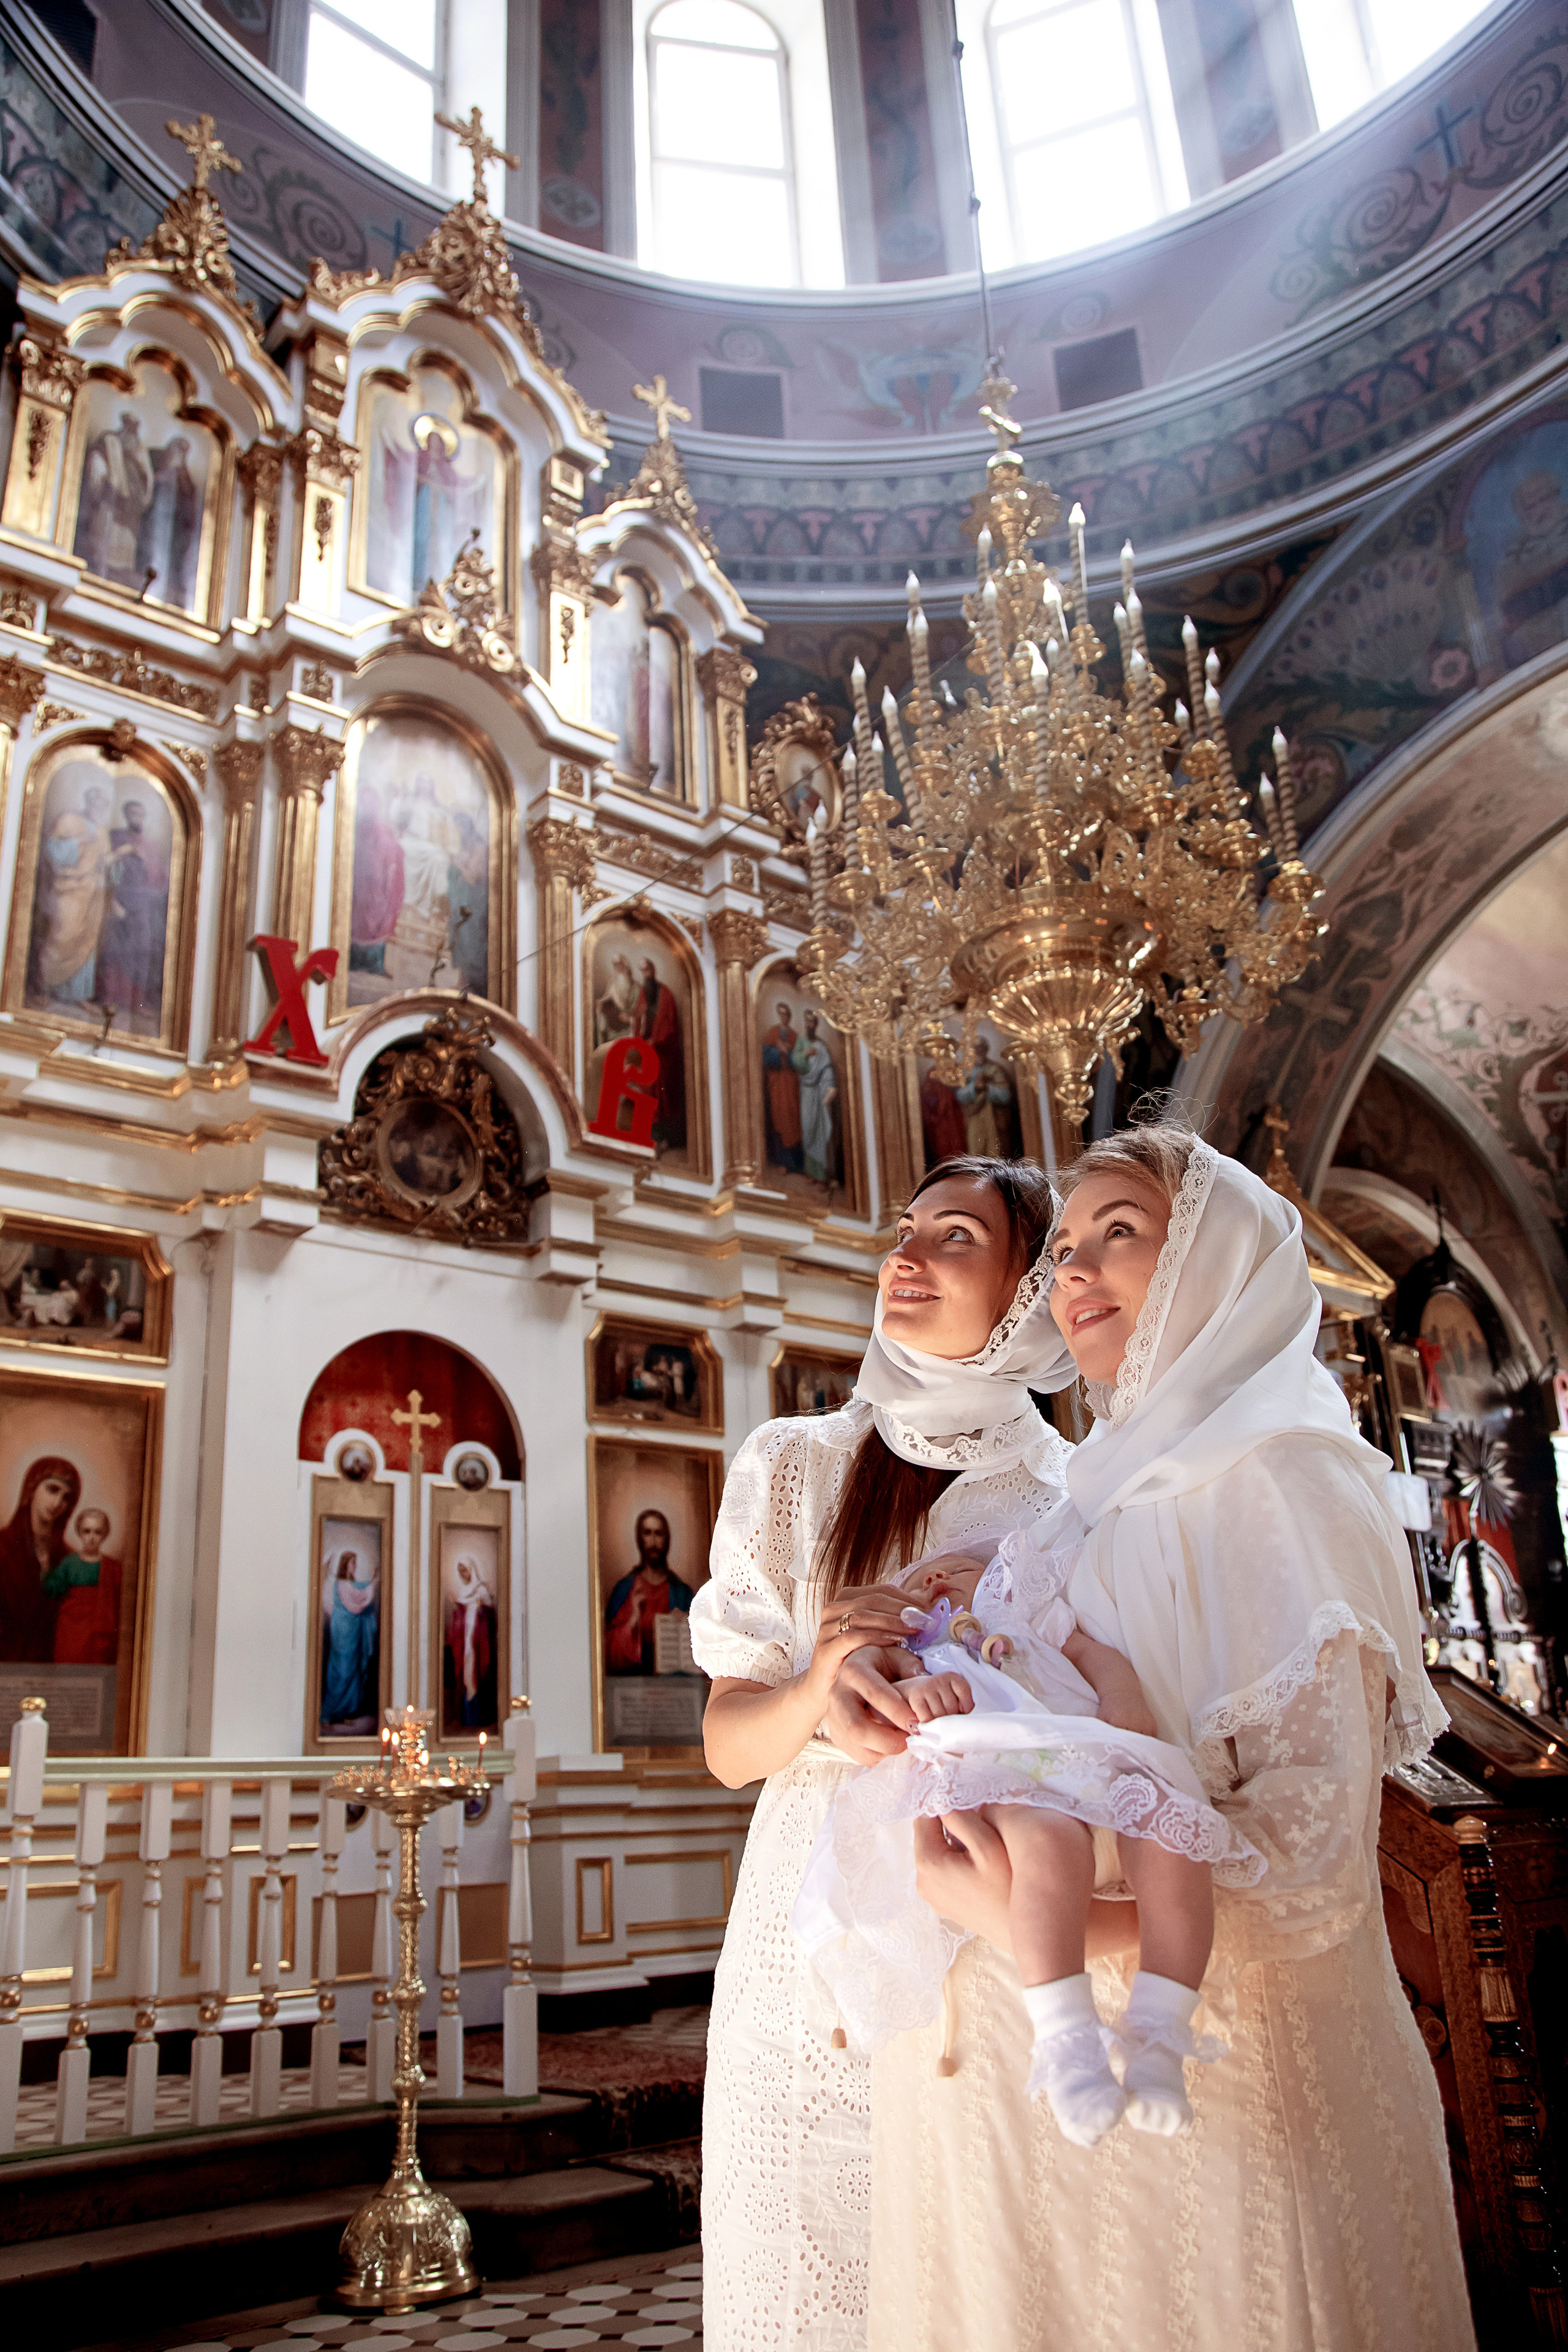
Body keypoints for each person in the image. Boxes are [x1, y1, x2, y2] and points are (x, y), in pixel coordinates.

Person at [827, 1121, 1473, 2352]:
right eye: (1062, 1249)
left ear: (1213, 1261)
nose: (1071, 1274)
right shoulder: (1088, 1496)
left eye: (1115, 1235)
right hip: (1032, 2129)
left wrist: (999, 1918)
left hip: (1228, 2094)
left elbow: (1306, 1877)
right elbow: (1006, 1662)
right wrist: (884, 1669)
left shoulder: (1283, 1483)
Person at [688, 1156, 1084, 2352]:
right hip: (803, 1938)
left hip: (997, 1915)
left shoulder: (1075, 1500)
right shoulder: (797, 1465)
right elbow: (724, 1748)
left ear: (1027, 1288)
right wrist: (821, 1684)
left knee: (978, 2284)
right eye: (900, 1233)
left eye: (952, 1238)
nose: (901, 1257)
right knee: (805, 2268)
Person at [794, 1533, 1260, 2142]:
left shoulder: (1024, 1611)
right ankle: (1068, 2046)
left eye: (956, 1568)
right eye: (919, 1580)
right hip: (997, 1771)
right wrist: (915, 1695)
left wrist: (1122, 1699)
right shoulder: (915, 1651)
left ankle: (1159, 2038)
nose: (936, 1579)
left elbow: (1092, 1655)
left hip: (1087, 1752)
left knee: (1173, 1838)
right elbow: (882, 1712)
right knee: (1048, 1845)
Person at [30, 783, 113, 1005]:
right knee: (61, 936)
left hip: (92, 892)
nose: (99, 805)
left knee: (87, 940)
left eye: (103, 803)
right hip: (68, 888)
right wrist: (80, 842)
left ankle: (78, 994)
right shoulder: (69, 821)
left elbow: (104, 862)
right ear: (87, 801)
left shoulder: (103, 831)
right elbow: (53, 851)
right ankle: (44, 988)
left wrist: (120, 857)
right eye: (95, 800)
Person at [0, 1455, 81, 1663]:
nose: (57, 1503)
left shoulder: (69, 1558)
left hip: (50, 1670)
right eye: (53, 1489)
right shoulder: (2, 1546)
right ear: (32, 1488)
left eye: (66, 1498)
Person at [605, 1509, 695, 1673]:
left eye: (659, 1534)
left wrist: (687, 1624)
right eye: (647, 1533)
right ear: (640, 1539)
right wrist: (633, 1620)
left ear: (667, 1539)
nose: (653, 1541)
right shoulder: (625, 1589)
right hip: (633, 1685)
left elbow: (702, 1640)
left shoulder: (682, 1593)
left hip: (677, 1687)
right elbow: (607, 1649)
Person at [75, 407, 153, 586]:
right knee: (103, 542)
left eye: (135, 427)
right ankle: (98, 571)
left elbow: (147, 479)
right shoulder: (109, 440)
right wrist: (106, 485)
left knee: (123, 553)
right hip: (109, 502)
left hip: (130, 510)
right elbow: (97, 462)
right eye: (129, 426)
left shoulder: (141, 450)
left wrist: (140, 499)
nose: (132, 431)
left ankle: (119, 577)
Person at [48, 1505, 122, 1665]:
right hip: (71, 1627)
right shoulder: (69, 1563)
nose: (92, 1537)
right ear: (79, 1532)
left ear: (105, 1534)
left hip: (100, 1630)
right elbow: (54, 1589)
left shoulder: (114, 1568)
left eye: (98, 1532)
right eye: (87, 1531)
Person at [320, 1546, 380, 1730]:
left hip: (351, 1630)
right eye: (353, 1563)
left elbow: (360, 1589)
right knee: (342, 1672)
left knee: (352, 1671)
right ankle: (329, 1714)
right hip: (343, 1632)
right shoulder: (342, 1584)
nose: (355, 1566)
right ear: (346, 1565)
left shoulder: (349, 1582)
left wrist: (372, 1581)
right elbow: (358, 1600)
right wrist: (374, 1583)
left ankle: (345, 1712)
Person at [635, 955, 686, 1151]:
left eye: (647, 970)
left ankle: (661, 1137)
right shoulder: (644, 992)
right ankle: (647, 1135)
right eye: (643, 971)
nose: (646, 974)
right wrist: (640, 1039)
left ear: (653, 970)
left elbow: (671, 1027)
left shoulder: (666, 995)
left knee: (660, 1095)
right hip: (646, 1050)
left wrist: (655, 1042)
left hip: (663, 1055)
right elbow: (639, 1020)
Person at [445, 1551, 497, 1730]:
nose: (463, 1575)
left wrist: (482, 1609)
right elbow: (460, 1615)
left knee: (477, 1674)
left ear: (472, 1570)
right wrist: (457, 1607)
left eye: (465, 1571)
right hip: (464, 1640)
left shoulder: (480, 1589)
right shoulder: (462, 1591)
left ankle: (478, 1718)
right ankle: (466, 1717)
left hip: (477, 1642)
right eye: (460, 1572)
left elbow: (490, 1614)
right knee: (465, 1677)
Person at [792, 1009, 839, 1186]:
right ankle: (810, 1172)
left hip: (819, 1092)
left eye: (813, 1022)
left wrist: (828, 1087)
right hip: (806, 1090)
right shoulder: (801, 1042)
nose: (810, 1025)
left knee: (820, 1132)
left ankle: (820, 1174)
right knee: (808, 1127)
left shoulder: (822, 1045)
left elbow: (827, 1068)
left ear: (816, 1025)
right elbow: (795, 1060)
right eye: (808, 1022)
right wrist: (804, 1054)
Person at [763, 998, 804, 1173]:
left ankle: (795, 1164)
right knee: (780, 1118)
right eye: (780, 1013)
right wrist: (777, 1051)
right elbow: (765, 1055)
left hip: (790, 1083)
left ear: (789, 1016)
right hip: (777, 1084)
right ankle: (782, 1162)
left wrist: (789, 1052)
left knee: (793, 1119)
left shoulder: (795, 1037)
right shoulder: (773, 1033)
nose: (783, 1017)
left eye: (786, 1014)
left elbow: (801, 1061)